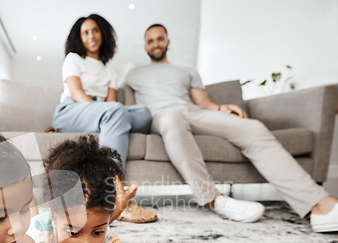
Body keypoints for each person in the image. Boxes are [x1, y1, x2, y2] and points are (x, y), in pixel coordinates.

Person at [123, 23, 338, 231]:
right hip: (162, 116)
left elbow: (204, 103)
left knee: (253, 128)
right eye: (150, 40)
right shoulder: (133, 74)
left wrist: (221, 107)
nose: (156, 43)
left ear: (168, 41)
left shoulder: (186, 71)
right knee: (173, 120)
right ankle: (214, 199)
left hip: (192, 111)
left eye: (160, 38)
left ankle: (318, 204)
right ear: (145, 46)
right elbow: (126, 105)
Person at [52, 13, 157, 224]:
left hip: (100, 114)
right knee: (116, 111)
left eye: (95, 30)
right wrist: (110, 110)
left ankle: (111, 125)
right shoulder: (74, 59)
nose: (91, 36)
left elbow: (111, 102)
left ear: (103, 34)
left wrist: (113, 110)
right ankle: (114, 195)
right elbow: (76, 93)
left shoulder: (110, 71)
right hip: (72, 110)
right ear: (79, 37)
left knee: (144, 113)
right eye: (85, 32)